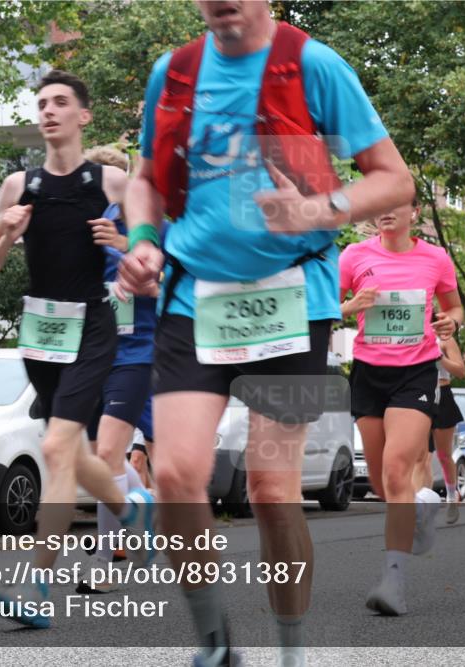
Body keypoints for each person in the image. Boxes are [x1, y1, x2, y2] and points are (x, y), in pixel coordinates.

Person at [118, 1, 415, 664]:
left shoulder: (313, 65)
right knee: (173, 472)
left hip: (291, 298)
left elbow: (394, 176)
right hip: (194, 295)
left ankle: (291, 649)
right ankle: (217, 645)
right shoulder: (175, 73)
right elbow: (145, 183)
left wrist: (317, 208)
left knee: (271, 490)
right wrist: (142, 240)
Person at [0, 70, 154, 628]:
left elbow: (155, 257)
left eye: (60, 103)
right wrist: (6, 232)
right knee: (72, 453)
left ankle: (37, 586)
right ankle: (132, 509)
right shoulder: (17, 186)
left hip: (94, 328)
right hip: (40, 332)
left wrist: (124, 242)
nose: (48, 111)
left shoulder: (112, 183)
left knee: (55, 447)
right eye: (42, 103)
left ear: (83, 116)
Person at [339, 200, 464, 615]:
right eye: (380, 206)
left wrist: (451, 322)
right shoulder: (354, 256)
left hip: (416, 373)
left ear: (415, 213)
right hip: (369, 373)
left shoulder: (436, 258)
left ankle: (393, 582)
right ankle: (422, 505)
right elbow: (322, 308)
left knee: (396, 468)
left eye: (396, 206)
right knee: (380, 484)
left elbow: (454, 306)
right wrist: (350, 308)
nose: (385, 211)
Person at [78, 144, 164, 592]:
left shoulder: (146, 227)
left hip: (138, 353)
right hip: (91, 356)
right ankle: (140, 500)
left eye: (114, 179)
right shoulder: (80, 227)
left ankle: (106, 559)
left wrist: (140, 276)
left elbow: (172, 286)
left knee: (114, 452)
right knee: (97, 459)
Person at [411, 323, 465, 523]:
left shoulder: (444, 338)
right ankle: (422, 505)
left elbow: (461, 371)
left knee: (443, 455)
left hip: (442, 395)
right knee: (421, 456)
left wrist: (439, 357)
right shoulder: (411, 334)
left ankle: (451, 496)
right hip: (420, 395)